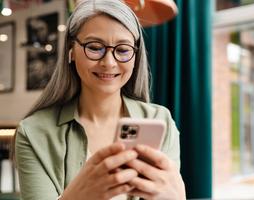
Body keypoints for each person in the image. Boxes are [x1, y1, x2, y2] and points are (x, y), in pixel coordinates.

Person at [14, 0, 186, 199]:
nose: (109, 63)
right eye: (95, 47)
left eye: (122, 50)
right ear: (71, 51)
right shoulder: (33, 132)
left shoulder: (159, 120)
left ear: (135, 56)